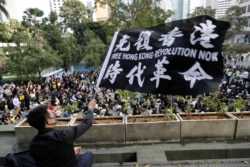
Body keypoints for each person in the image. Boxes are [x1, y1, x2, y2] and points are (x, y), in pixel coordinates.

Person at [27, 98, 96, 167]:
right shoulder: (62, 136)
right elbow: (87, 123)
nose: (54, 114)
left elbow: (51, 157)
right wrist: (90, 109)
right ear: (49, 121)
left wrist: (71, 152)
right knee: (89, 154)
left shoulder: (33, 145)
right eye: (52, 113)